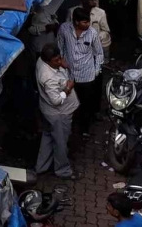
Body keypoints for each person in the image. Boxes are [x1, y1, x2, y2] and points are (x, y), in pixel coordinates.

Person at [58, 6, 105, 136]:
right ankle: (70, 126)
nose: (88, 24)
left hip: (87, 75)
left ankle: (84, 129)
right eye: (85, 22)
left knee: (86, 103)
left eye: (88, 21)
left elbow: (99, 54)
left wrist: (96, 71)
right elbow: (60, 46)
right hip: (69, 74)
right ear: (76, 21)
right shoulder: (64, 29)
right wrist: (61, 62)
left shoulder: (92, 33)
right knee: (70, 101)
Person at [35, 42, 78, 180]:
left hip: (47, 111)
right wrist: (68, 88)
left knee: (48, 137)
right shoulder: (48, 77)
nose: (60, 61)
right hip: (59, 113)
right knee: (60, 142)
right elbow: (56, 100)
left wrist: (61, 64)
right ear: (48, 62)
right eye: (56, 61)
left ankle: (41, 167)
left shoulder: (41, 60)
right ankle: (63, 171)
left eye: (60, 58)